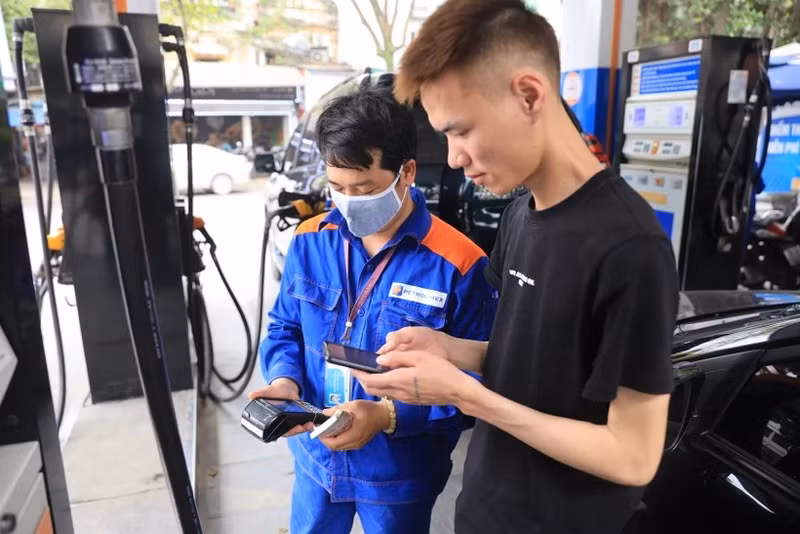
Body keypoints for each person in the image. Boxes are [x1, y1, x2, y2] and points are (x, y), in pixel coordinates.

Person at [355, 2, 679, 533]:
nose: (454, 157)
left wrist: (464, 393)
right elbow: (534, 360)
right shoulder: (518, 216)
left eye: (461, 131)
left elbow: (632, 456)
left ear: (529, 95)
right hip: (485, 510)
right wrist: (449, 349)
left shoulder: (630, 247)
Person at [248, 80, 497, 534]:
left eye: (363, 188)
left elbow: (477, 386)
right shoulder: (311, 239)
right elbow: (285, 327)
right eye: (337, 187)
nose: (348, 201)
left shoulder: (459, 264)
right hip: (316, 457)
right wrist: (285, 381)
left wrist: (387, 416)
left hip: (399, 473)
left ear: (407, 172)